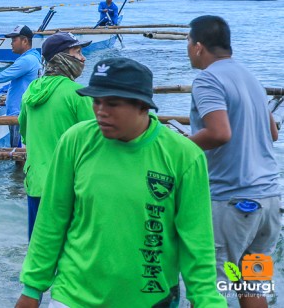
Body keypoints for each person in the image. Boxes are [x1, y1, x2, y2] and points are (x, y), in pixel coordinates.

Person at [15, 57, 224, 308]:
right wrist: (32, 288)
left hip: (150, 298)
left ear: (142, 106)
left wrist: (207, 300)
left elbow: (196, 242)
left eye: (112, 103)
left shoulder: (183, 156)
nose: (101, 111)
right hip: (73, 295)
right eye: (96, 101)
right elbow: (52, 219)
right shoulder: (76, 141)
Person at [186, 15, 280, 308]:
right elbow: (273, 132)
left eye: (188, 43)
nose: (188, 49)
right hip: (268, 202)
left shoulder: (208, 78)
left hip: (232, 201)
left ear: (199, 46)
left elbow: (219, 132)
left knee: (209, 289)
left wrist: (179, 147)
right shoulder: (250, 76)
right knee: (251, 287)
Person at [17, 32, 93, 239]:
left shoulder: (31, 91)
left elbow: (24, 133)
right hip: (68, 187)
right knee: (71, 255)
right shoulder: (79, 94)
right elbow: (95, 143)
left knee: (38, 250)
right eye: (77, 52)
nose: (83, 58)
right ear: (62, 58)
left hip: (36, 183)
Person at [0, 25, 41, 147]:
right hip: (24, 110)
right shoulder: (34, 57)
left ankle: (20, 167)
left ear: (25, 41)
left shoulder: (26, 61)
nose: (11, 44)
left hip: (19, 112)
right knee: (22, 149)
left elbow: (2, 76)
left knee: (17, 151)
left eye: (14, 40)